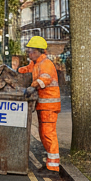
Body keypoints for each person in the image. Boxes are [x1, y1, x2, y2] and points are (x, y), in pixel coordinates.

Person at [19, 35, 61, 174]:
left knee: (48, 134)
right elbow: (26, 70)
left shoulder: (46, 64)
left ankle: (53, 167)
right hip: (43, 106)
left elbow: (45, 79)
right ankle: (50, 163)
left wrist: (33, 86)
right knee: (43, 134)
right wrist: (13, 72)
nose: (29, 53)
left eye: (31, 51)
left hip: (49, 106)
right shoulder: (36, 63)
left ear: (38, 51)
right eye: (28, 51)